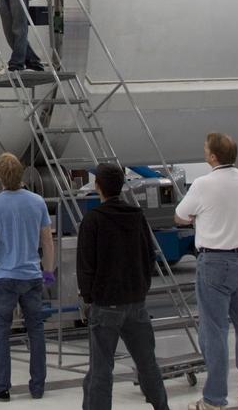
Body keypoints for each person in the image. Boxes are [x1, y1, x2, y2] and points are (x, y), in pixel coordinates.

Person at [175, 133, 238, 410]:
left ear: (213, 157)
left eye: (206, 149)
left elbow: (180, 215)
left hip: (214, 263)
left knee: (214, 331)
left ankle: (214, 399)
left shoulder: (203, 184)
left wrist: (197, 217)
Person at [78, 163, 171, 410]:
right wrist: (141, 287)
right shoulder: (137, 216)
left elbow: (85, 264)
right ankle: (162, 406)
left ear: (98, 186)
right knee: (147, 363)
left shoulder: (93, 220)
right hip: (136, 301)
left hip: (106, 303)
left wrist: (87, 298)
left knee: (101, 368)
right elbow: (149, 255)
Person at [0, 152, 55, 401]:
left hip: (4, 278)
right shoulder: (37, 202)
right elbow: (47, 241)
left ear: (0, 176)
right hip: (32, 276)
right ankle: (38, 386)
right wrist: (48, 270)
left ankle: (1, 387)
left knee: (2, 330)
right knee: (36, 330)